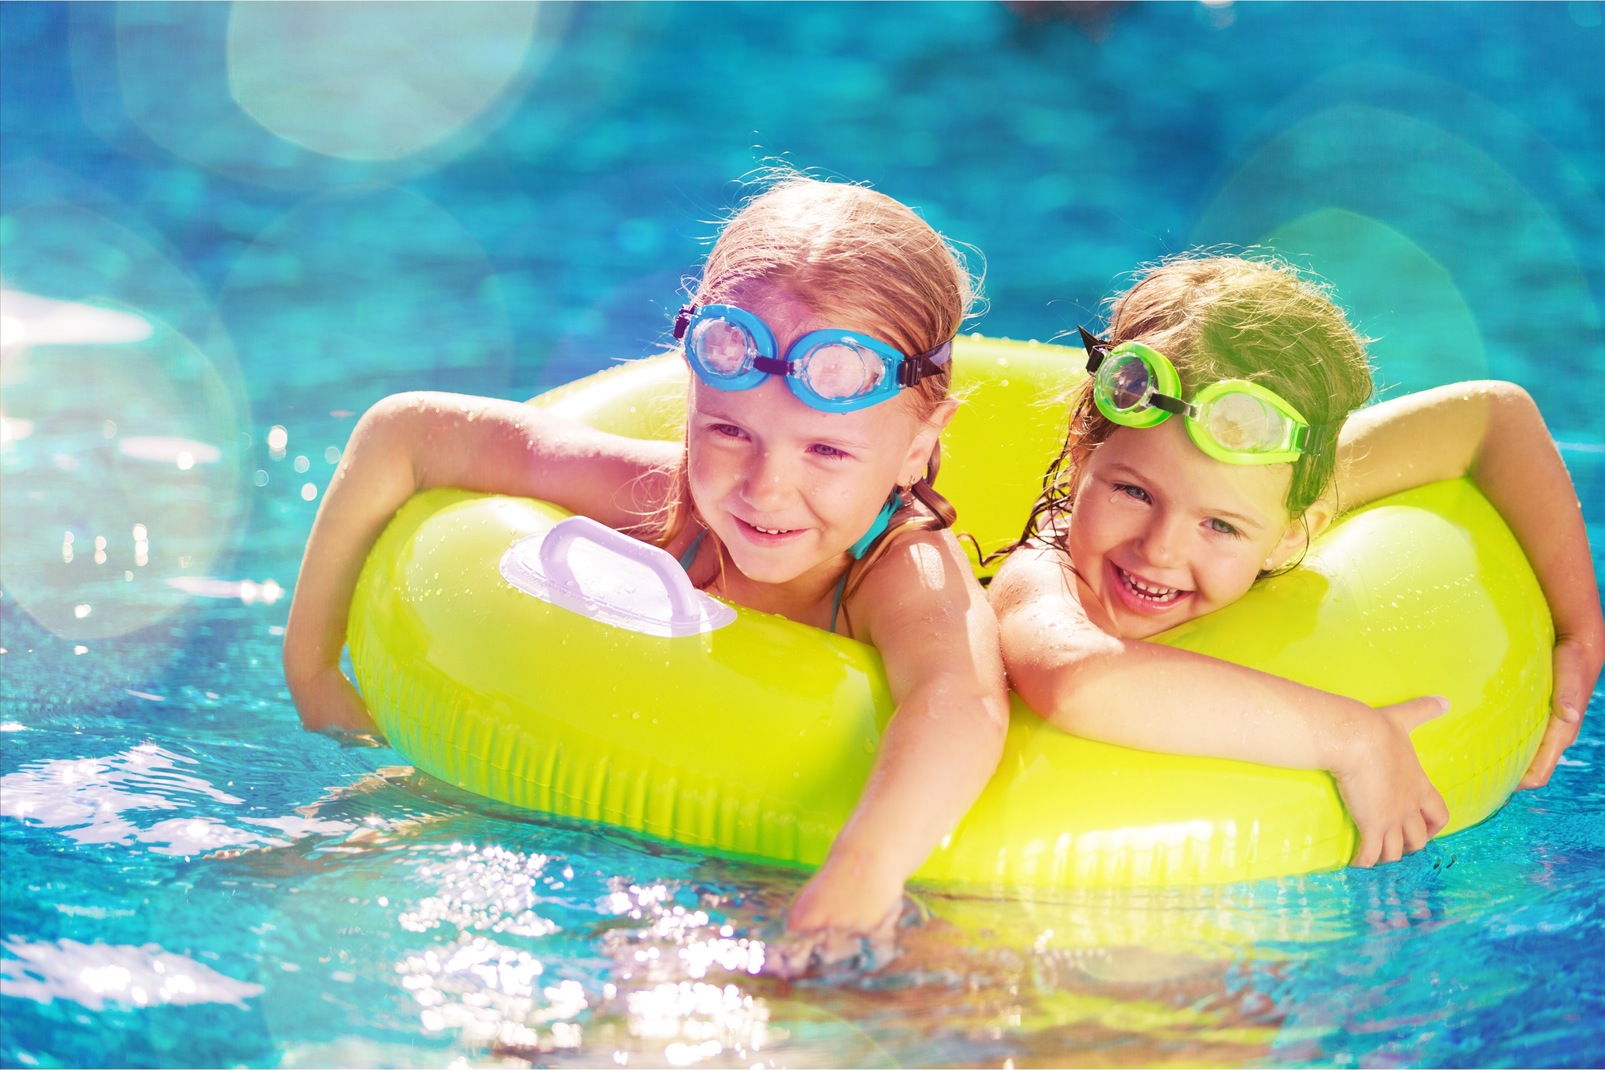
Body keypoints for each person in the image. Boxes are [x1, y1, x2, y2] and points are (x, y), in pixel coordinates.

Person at [282, 173, 1010, 972]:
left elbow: (961, 696)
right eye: (729, 431)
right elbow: (407, 434)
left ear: (915, 445)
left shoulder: (898, 569)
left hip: (812, 867)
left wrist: (863, 869)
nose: (763, 489)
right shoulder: (669, 502)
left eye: (827, 450)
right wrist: (314, 671)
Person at [991, 253, 1603, 868]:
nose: (1161, 549)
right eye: (1133, 492)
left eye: (1219, 526)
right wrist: (1354, 737)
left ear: (1293, 535)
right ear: (1079, 456)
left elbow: (1494, 416)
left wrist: (1581, 634)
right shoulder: (1045, 577)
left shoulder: (1269, 482)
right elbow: (1074, 679)